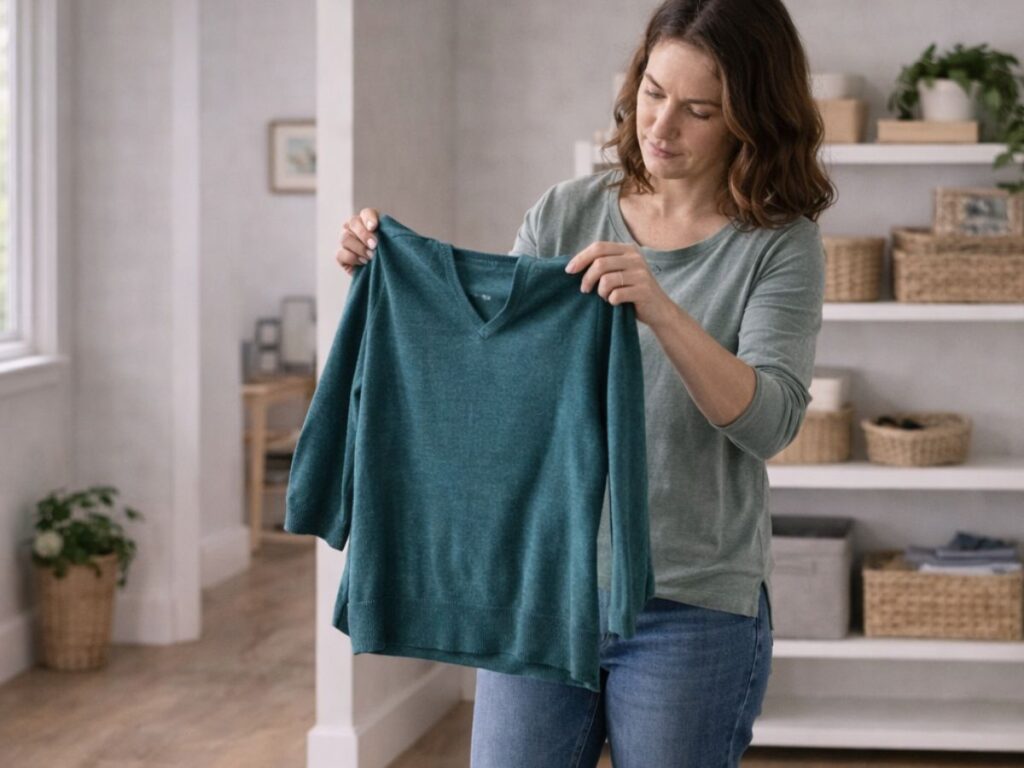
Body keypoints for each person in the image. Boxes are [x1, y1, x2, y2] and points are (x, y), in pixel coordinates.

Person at [335, 0, 835, 764]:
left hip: (693, 603)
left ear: (750, 120)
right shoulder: (567, 213)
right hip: (544, 585)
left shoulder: (779, 243)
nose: (662, 126)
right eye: (653, 93)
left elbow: (770, 422)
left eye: (699, 110)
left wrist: (660, 308)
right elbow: (493, 381)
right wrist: (384, 280)